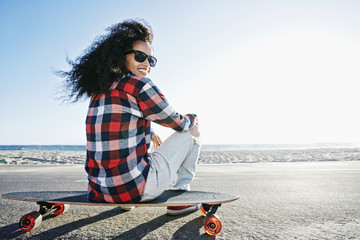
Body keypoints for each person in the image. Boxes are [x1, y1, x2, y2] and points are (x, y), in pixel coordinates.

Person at [58, 19, 201, 215]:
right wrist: (193, 118)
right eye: (140, 56)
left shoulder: (98, 92)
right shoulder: (139, 85)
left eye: (151, 60)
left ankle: (126, 201)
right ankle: (180, 197)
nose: (146, 64)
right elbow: (178, 123)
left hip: (98, 191)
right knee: (191, 133)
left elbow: (115, 128)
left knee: (143, 139)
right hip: (135, 189)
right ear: (120, 56)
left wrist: (148, 132)